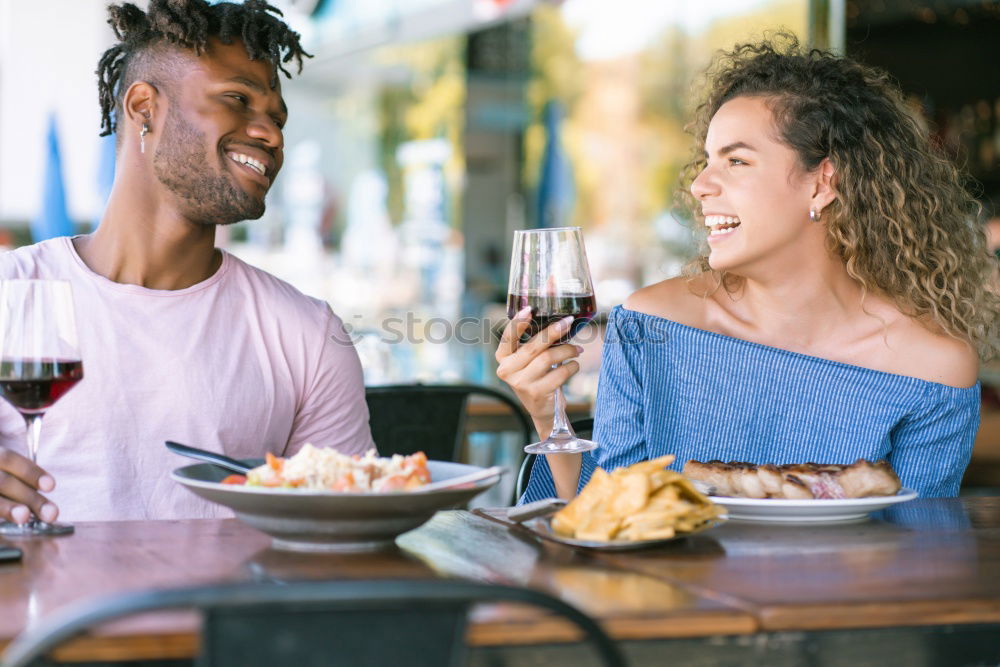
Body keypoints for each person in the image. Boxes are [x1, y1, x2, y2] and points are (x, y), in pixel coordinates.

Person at [498, 36, 999, 501]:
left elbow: (919, 551)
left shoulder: (932, 367)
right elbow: (609, 511)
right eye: (707, 161)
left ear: (822, 183)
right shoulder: (653, 323)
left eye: (736, 162)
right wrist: (548, 416)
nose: (700, 186)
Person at [0, 0, 374, 523]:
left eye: (277, 118)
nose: (272, 134)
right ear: (143, 108)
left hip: (231, 606)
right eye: (237, 99)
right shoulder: (11, 294)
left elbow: (345, 534)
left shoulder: (309, 336)